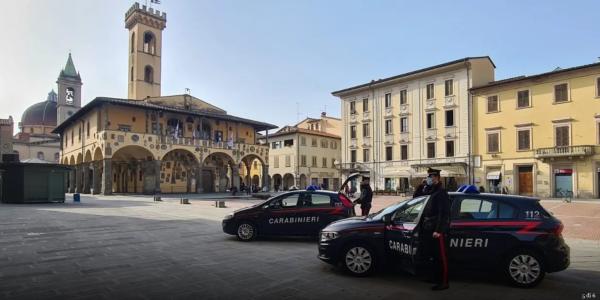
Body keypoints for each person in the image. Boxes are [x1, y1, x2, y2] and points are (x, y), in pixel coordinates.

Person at [420, 168, 451, 291]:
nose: (429, 179)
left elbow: (443, 213)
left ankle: (444, 282)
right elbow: (419, 196)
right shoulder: (432, 191)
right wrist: (424, 186)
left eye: (431, 177)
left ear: (437, 178)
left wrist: (439, 230)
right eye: (428, 177)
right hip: (429, 228)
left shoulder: (441, 192)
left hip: (437, 230)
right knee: (432, 256)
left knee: (441, 257)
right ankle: (434, 277)